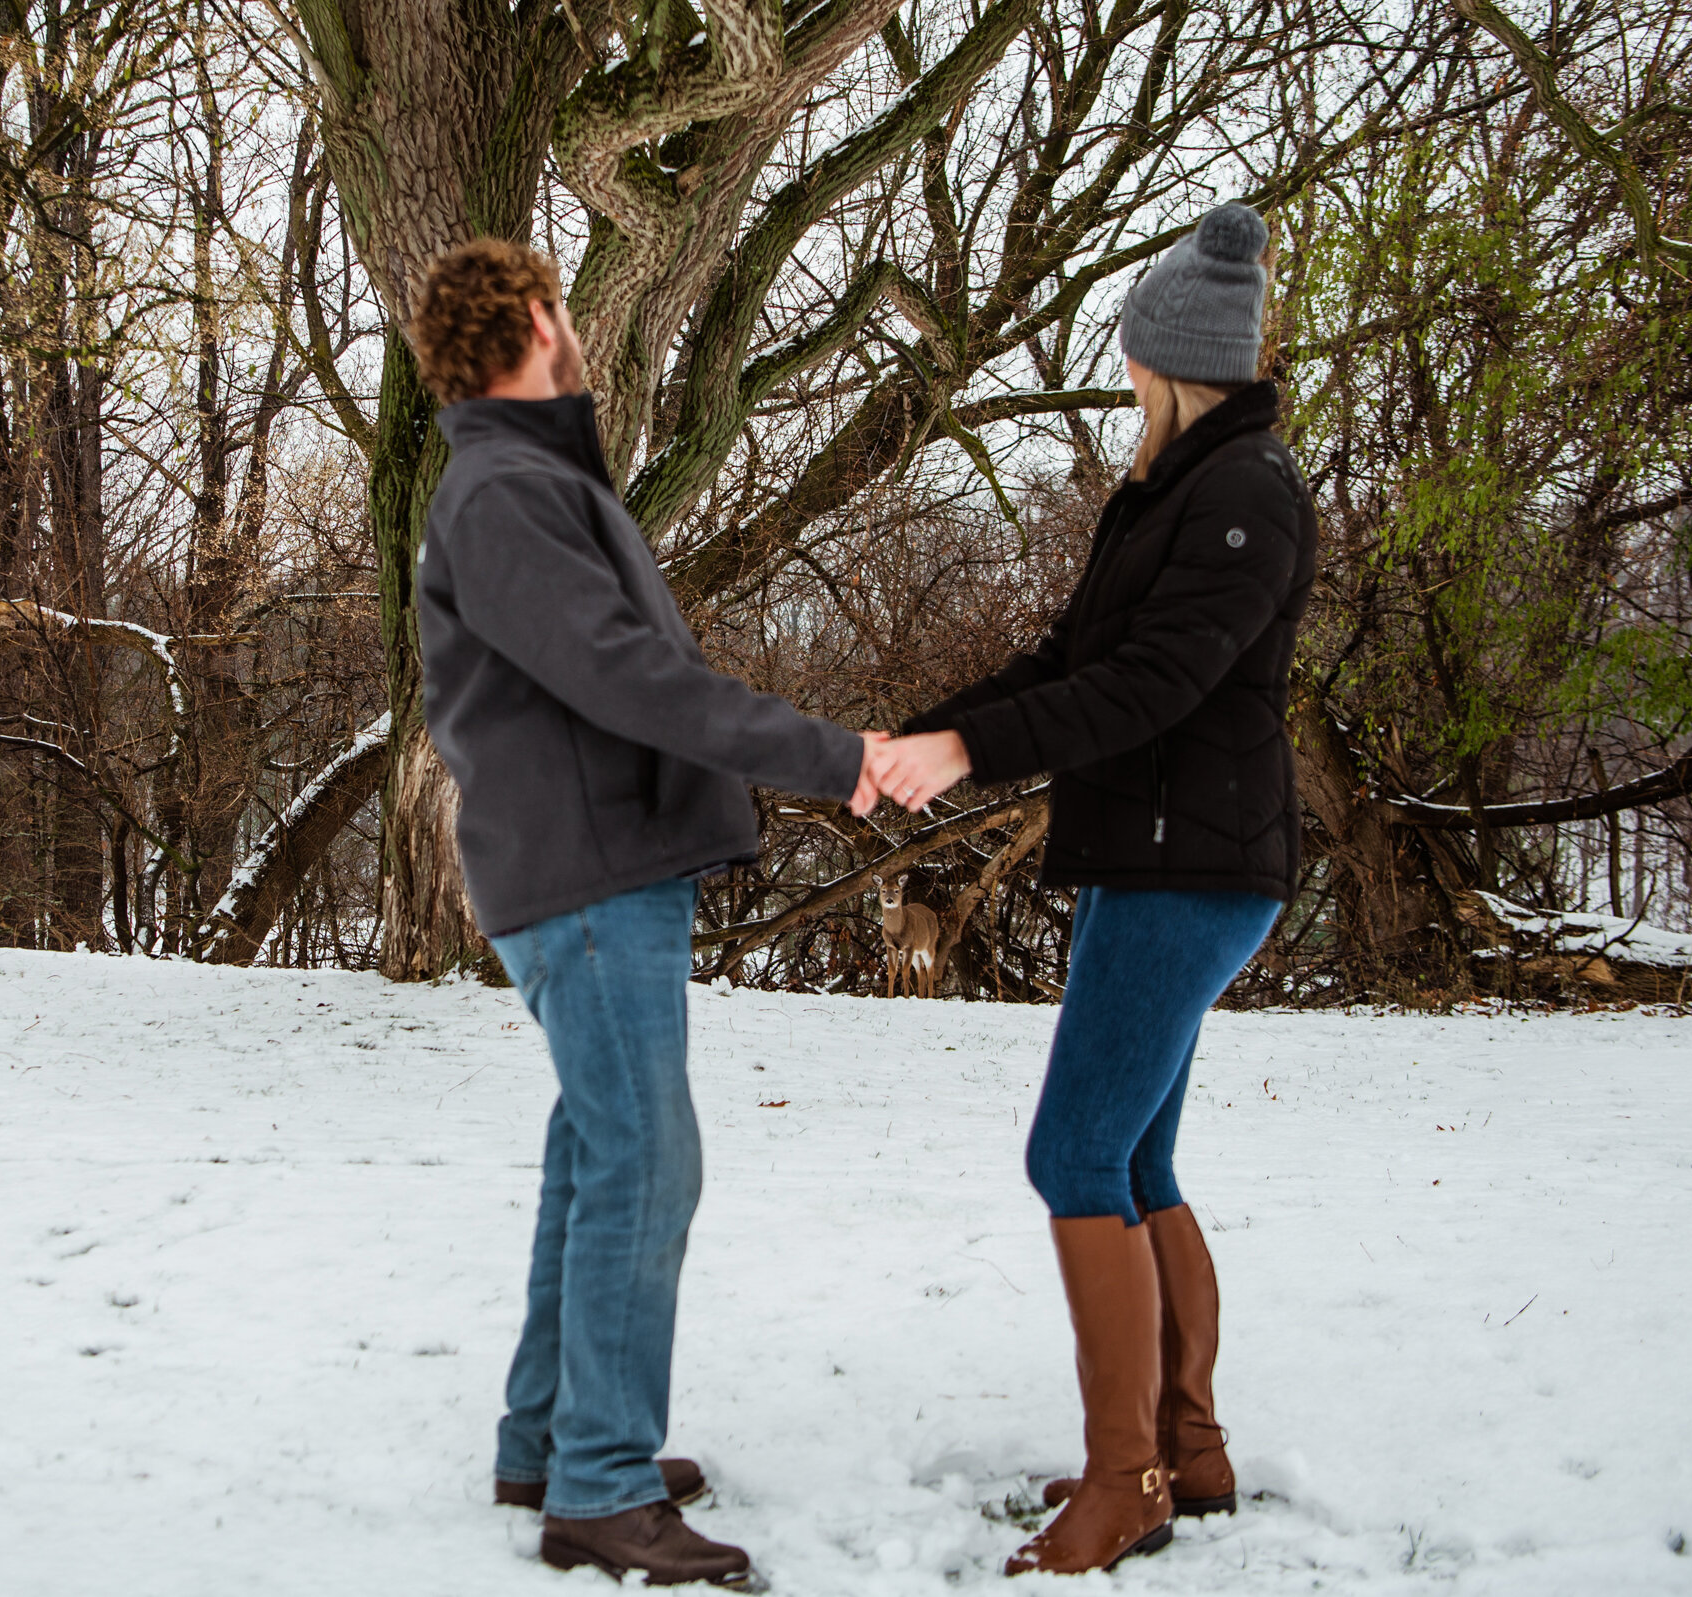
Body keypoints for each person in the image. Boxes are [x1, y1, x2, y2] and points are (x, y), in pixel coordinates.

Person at [410, 238, 887, 1588]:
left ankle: (551, 1436)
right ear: (539, 324)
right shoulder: (502, 492)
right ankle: (602, 1489)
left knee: (596, 1151)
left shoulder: (531, 479)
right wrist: (831, 755)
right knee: (645, 1161)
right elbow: (630, 677)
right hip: (589, 876)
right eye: (564, 310)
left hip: (599, 867)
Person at [866, 202, 1318, 1577]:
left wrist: (966, 749)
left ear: (1169, 358)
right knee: (1133, 1157)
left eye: (1130, 355)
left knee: (1072, 1155)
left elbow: (1150, 688)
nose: (1122, 376)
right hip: (1151, 860)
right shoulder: (1173, 494)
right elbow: (1067, 658)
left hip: (1195, 868)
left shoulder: (1244, 497)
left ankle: (1127, 1481)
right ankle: (1186, 1445)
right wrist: (925, 738)